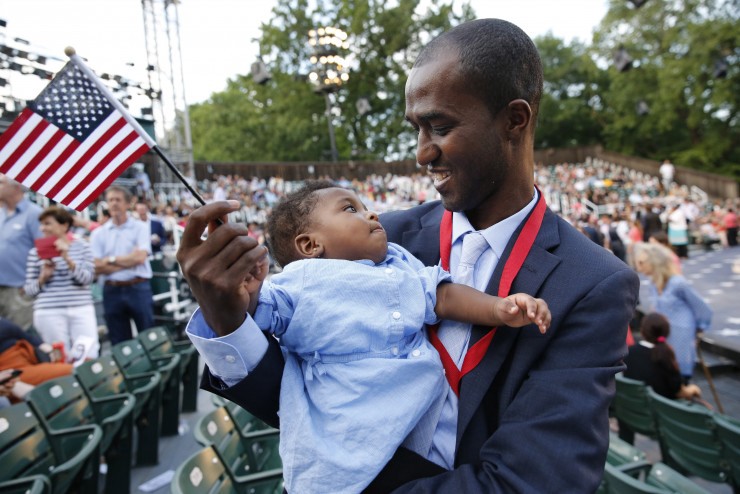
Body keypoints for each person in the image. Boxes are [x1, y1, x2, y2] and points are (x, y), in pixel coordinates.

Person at [177, 19, 640, 492]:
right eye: (416, 128)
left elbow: (530, 483)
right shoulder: (378, 239)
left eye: (440, 126)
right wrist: (229, 321)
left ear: (514, 121)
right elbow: (303, 395)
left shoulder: (592, 282)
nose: (422, 153)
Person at [227, 180, 549, 493]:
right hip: (339, 450)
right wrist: (247, 291)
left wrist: (498, 308)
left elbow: (443, 297)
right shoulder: (300, 283)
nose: (371, 214)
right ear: (311, 245)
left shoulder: (397, 261)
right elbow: (263, 311)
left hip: (412, 440)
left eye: (366, 206)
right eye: (350, 208)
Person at [23, 206, 99, 360]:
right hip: (49, 310)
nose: (43, 228)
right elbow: (29, 291)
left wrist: (68, 259)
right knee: (59, 357)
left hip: (81, 307)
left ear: (64, 225)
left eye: (47, 223)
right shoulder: (35, 252)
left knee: (89, 353)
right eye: (42, 224)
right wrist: (43, 277)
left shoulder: (83, 246)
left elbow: (87, 279)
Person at [633, 242, 712, 382]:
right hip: (664, 338)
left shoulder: (677, 283)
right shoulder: (654, 284)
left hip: (681, 337)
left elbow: (703, 309)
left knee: (679, 375)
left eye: (641, 262)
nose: (639, 267)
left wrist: (697, 329)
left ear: (654, 260)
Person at [90, 185, 154, 345]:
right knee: (119, 342)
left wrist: (109, 260)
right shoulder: (98, 233)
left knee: (148, 336)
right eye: (110, 200)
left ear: (127, 204)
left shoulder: (140, 227)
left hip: (137, 287)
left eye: (118, 200)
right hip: (112, 289)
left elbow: (140, 257)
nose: (114, 204)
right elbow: (96, 266)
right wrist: (128, 260)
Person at [0, 174, 42, 329]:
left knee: (21, 340)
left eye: (1, 183)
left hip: (19, 290)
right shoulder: (1, 213)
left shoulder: (34, 214)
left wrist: (31, 285)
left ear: (16, 187)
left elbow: (43, 252)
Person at [0, 316, 73, 403]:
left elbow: (25, 336)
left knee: (87, 363)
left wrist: (45, 348)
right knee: (72, 371)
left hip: (33, 358)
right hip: (12, 370)